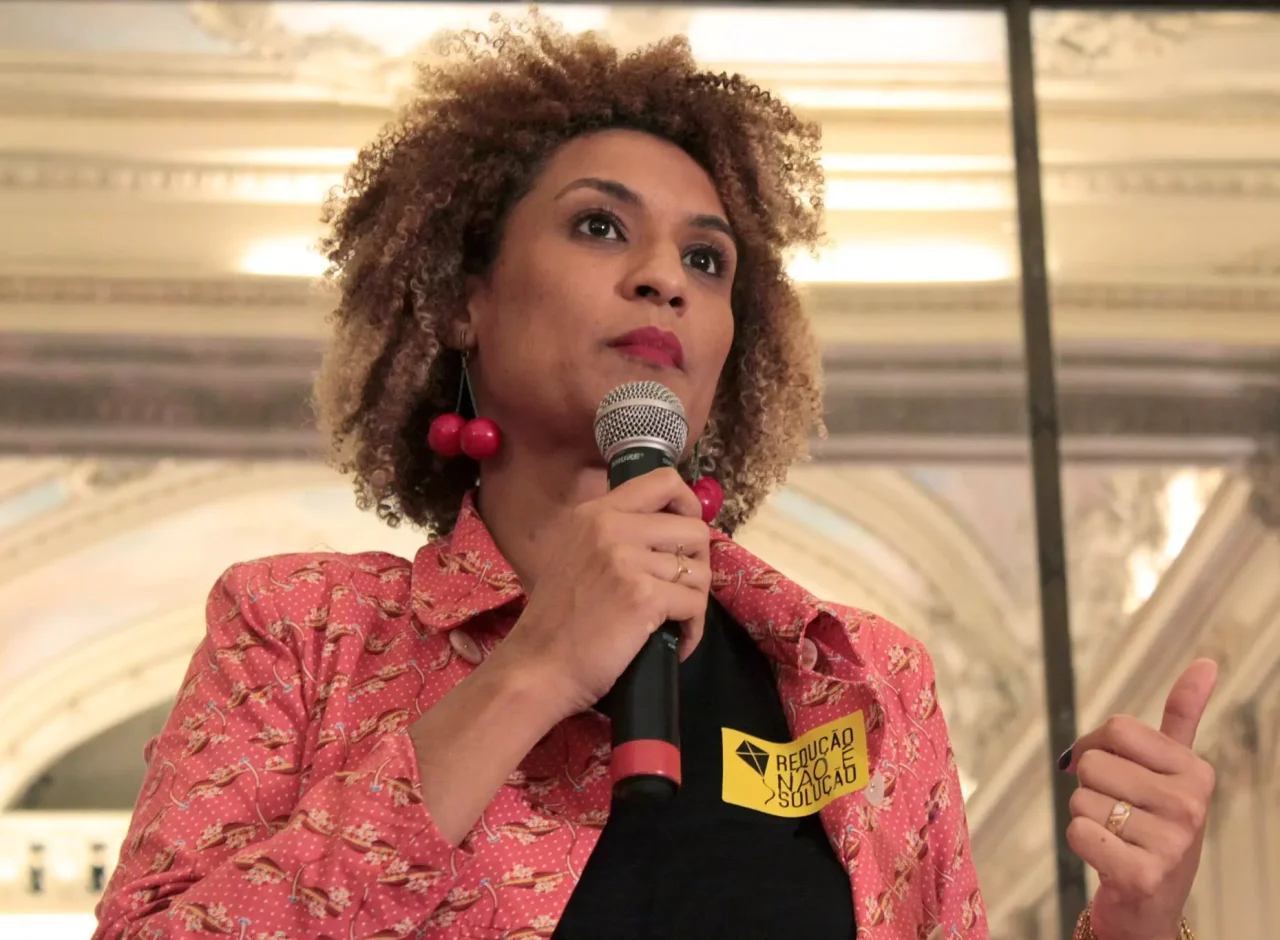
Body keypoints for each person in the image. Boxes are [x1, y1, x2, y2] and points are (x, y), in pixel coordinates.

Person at [94, 15, 1218, 940]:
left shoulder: (863, 679)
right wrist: (537, 666)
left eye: (705, 259)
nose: (662, 280)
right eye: (599, 226)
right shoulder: (302, 633)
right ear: (461, 302)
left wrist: (1136, 922)